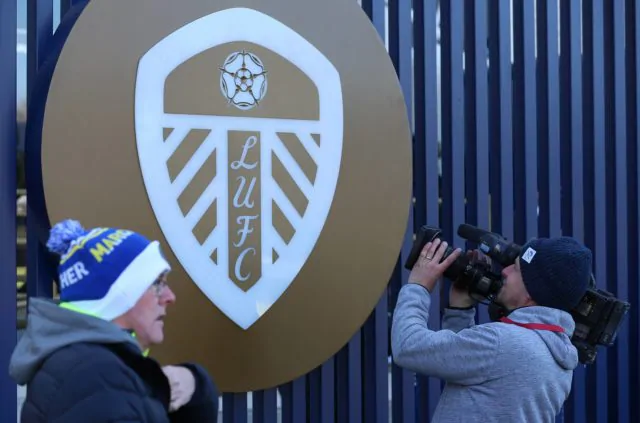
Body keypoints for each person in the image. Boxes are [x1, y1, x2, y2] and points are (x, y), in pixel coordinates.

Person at [9, 219, 220, 422]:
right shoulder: (97, 377)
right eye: (157, 283)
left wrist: (195, 385)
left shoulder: (91, 366)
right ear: (118, 297)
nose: (169, 297)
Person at [391, 236, 592, 423]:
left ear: (532, 291)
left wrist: (418, 286)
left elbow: (408, 347)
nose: (505, 271)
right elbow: (469, 369)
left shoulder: (503, 342)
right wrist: (460, 310)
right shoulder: (556, 353)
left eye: (516, 269)